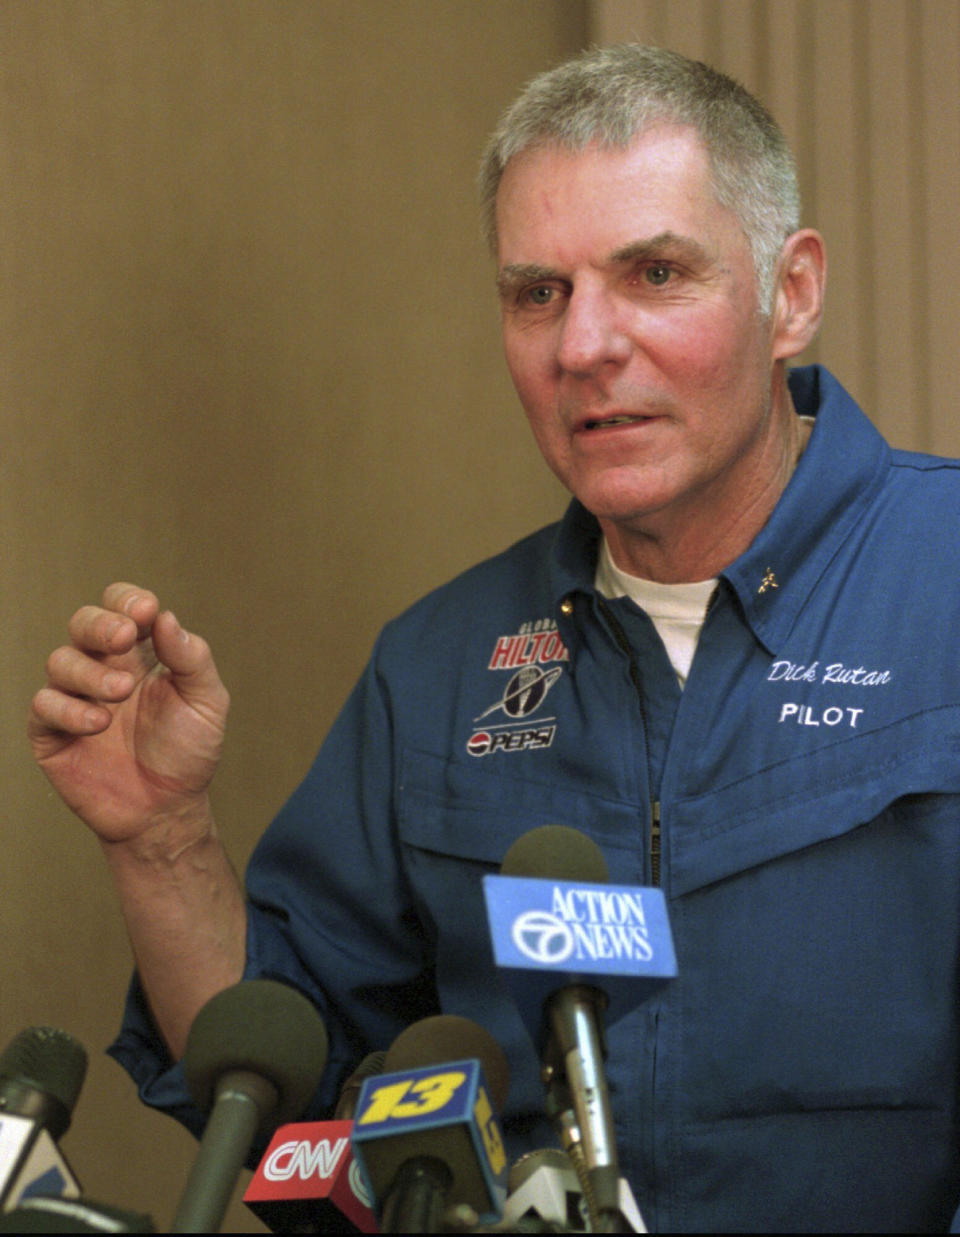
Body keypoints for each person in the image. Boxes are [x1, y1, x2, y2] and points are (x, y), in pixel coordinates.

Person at [28, 44, 960, 1231]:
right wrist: (160, 840)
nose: (585, 347)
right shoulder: (442, 663)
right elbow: (294, 1123)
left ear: (792, 291)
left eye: (656, 272)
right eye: (539, 293)